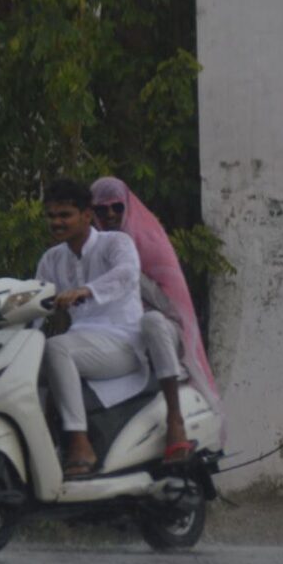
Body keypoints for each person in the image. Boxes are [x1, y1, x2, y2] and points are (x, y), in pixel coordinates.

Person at [90, 176, 226, 462]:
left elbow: (171, 305)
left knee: (151, 321)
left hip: (165, 328)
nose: (111, 215)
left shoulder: (147, 240)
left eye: (116, 207)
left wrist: (127, 274)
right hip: (118, 334)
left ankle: (175, 420)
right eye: (102, 210)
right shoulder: (90, 249)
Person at [37, 178, 148, 479]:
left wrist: (85, 290)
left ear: (87, 215)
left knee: (55, 348)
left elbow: (126, 273)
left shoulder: (115, 243)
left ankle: (80, 443)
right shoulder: (52, 259)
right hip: (83, 342)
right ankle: (43, 447)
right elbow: (36, 302)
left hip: (123, 341)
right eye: (51, 216)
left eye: (64, 215)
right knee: (27, 359)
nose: (57, 222)